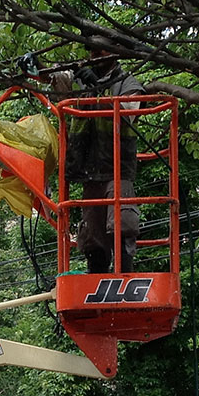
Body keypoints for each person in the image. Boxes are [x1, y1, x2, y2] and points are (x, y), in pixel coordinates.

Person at [50, 36, 145, 274]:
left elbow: (128, 114)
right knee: (92, 233)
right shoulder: (82, 82)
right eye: (92, 51)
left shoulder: (128, 83)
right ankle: (97, 279)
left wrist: (98, 89)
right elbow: (57, 83)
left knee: (121, 225)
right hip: (88, 169)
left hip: (117, 168)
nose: (94, 56)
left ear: (114, 53)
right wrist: (36, 70)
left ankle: (125, 278)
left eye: (100, 51)